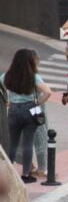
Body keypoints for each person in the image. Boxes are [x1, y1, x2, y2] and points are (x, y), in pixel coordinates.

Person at [1, 49, 53, 183]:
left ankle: (9, 172)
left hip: (13, 111)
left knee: (12, 143)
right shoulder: (33, 76)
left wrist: (8, 101)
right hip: (29, 110)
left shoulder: (7, 75)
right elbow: (47, 92)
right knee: (28, 144)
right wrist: (37, 102)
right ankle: (26, 174)